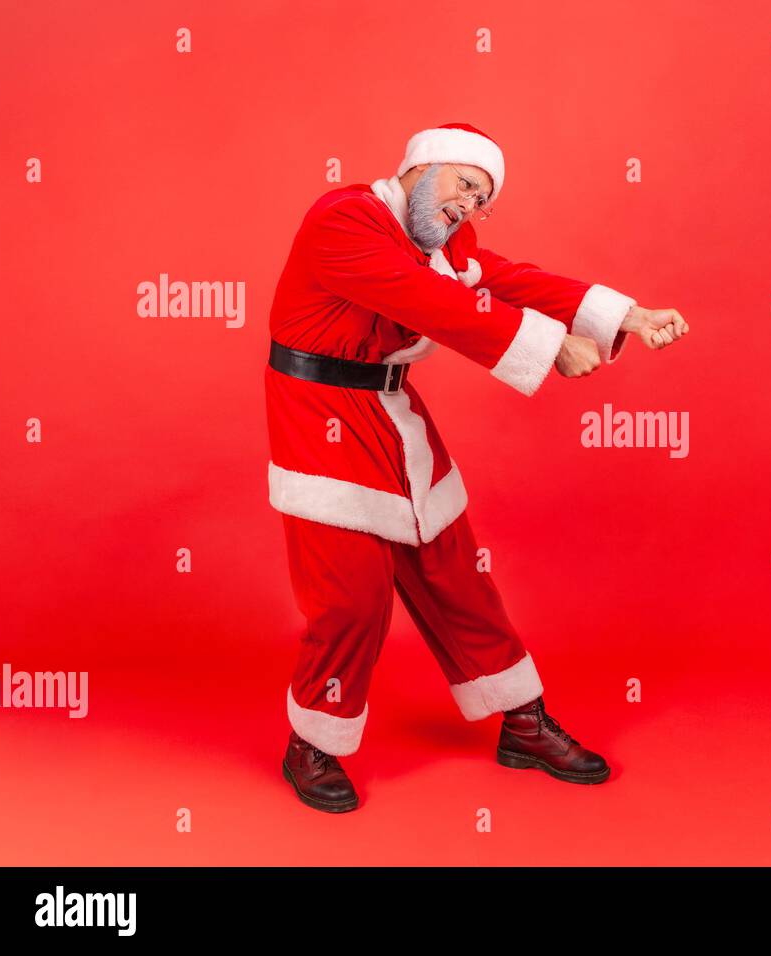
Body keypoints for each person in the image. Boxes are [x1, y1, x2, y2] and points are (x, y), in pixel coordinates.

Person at [264, 122, 688, 812]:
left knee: (456, 576)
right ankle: (313, 743)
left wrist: (626, 316)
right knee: (351, 596)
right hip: (322, 420)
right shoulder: (343, 220)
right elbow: (426, 300)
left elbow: (508, 279)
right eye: (464, 184)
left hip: (394, 413)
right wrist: (551, 348)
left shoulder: (441, 245)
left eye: (482, 198)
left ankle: (522, 721)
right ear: (421, 166)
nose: (468, 205)